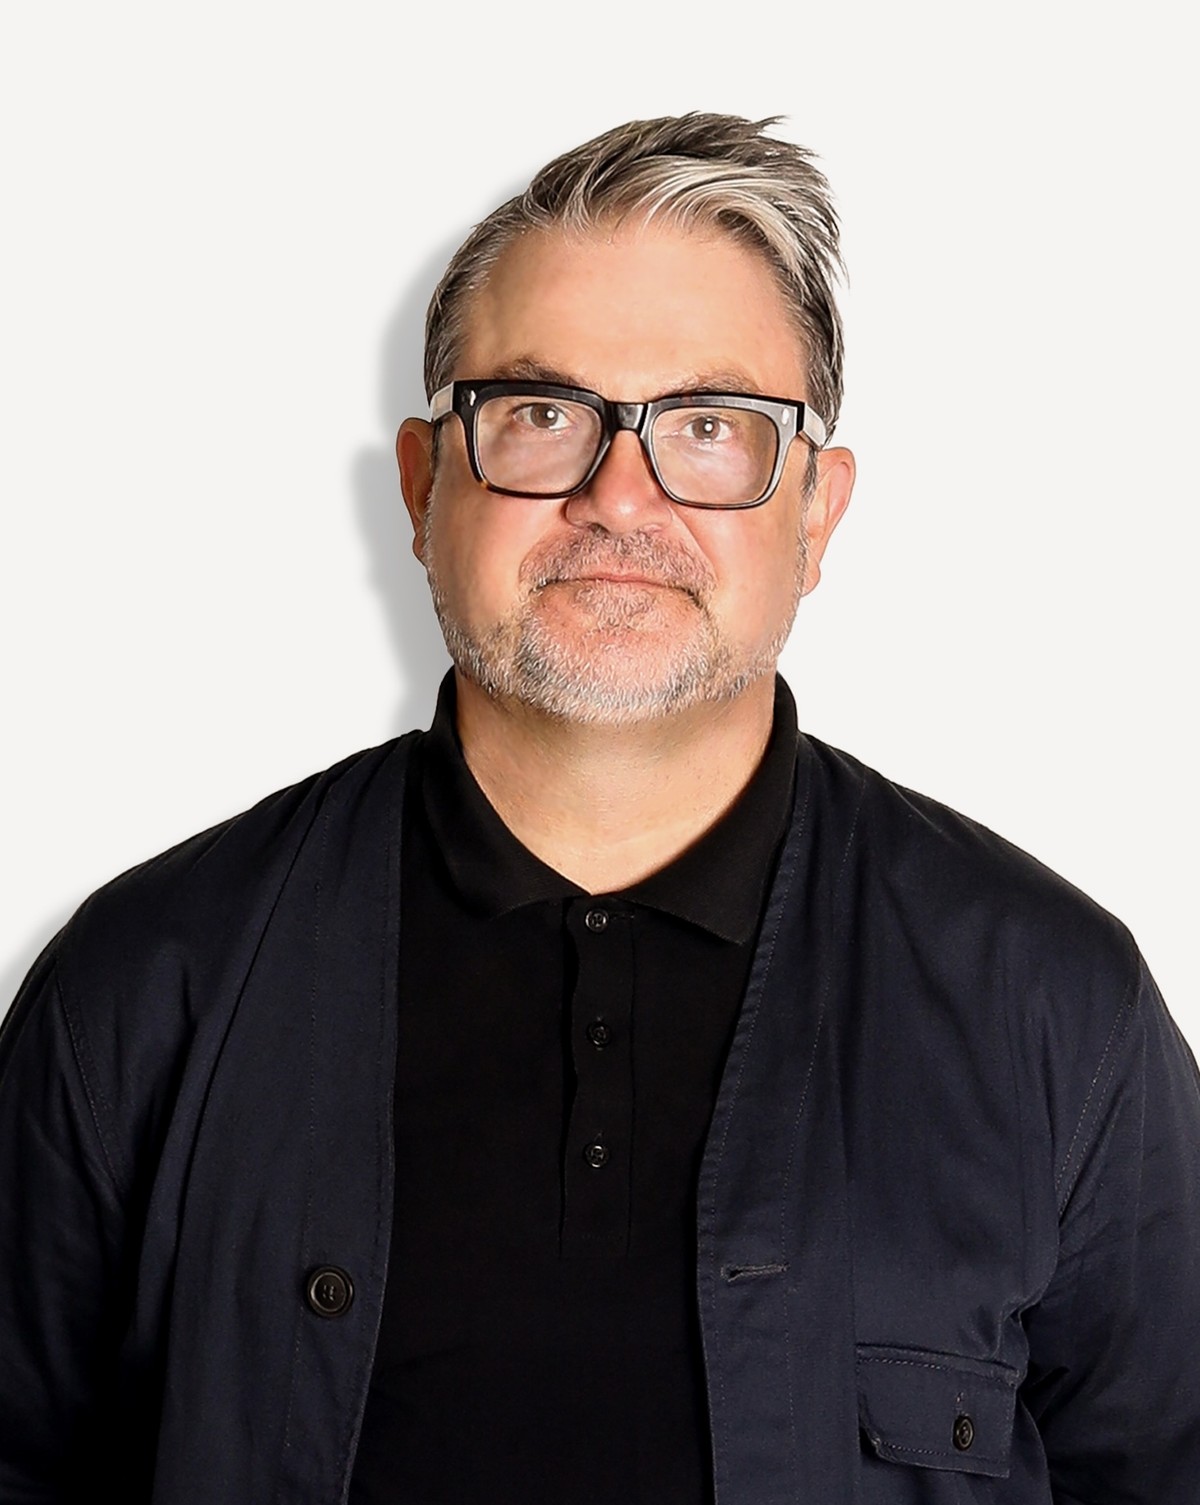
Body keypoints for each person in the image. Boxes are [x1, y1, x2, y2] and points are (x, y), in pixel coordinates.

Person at [1, 113, 1197, 1505]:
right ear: (423, 485)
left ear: (817, 511)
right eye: (542, 414)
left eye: (710, 426)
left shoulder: (1056, 1010)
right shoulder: (143, 989)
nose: (619, 497)